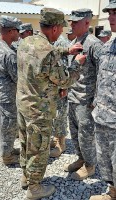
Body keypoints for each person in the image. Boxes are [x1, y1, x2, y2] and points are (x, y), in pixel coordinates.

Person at [17, 7, 86, 200]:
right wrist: (77, 63)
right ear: (55, 28)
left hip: (23, 104)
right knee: (39, 148)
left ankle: (26, 176)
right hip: (39, 110)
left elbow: (46, 53)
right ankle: (35, 187)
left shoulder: (27, 41)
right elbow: (65, 80)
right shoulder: (47, 52)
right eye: (62, 29)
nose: (63, 32)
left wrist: (66, 50)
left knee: (25, 143)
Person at [64, 8, 103, 180]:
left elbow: (104, 74)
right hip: (73, 97)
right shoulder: (76, 42)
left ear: (87, 23)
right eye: (70, 21)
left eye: (75, 21)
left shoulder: (94, 44)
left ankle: (90, 165)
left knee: (86, 135)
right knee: (75, 132)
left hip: (86, 100)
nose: (71, 24)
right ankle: (81, 158)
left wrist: (96, 99)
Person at [89, 0, 116, 199]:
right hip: (103, 116)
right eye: (110, 12)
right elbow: (101, 77)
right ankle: (112, 192)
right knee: (105, 160)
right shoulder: (109, 46)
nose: (112, 17)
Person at [0, 15, 21, 165]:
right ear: (10, 31)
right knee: (8, 126)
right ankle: (7, 157)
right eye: (17, 30)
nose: (19, 33)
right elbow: (18, 78)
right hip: (8, 96)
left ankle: (8, 149)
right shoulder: (8, 54)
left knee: (5, 126)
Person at [50, 34, 70, 158]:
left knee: (60, 114)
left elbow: (63, 65)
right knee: (54, 114)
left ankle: (61, 143)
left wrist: (64, 86)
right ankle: (56, 138)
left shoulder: (60, 41)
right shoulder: (51, 39)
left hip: (59, 86)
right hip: (52, 85)